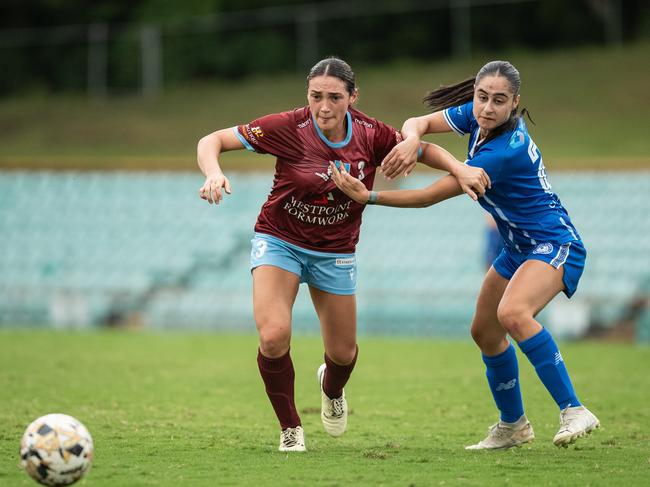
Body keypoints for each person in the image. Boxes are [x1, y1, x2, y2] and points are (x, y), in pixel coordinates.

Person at [196, 57, 490, 452]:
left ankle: (331, 389)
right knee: (273, 335)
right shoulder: (288, 127)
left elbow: (423, 151)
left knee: (342, 353)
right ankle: (290, 428)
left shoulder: (370, 133)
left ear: (353, 97)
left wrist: (460, 167)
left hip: (335, 250)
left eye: (334, 97)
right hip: (279, 239)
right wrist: (213, 172)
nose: (323, 106)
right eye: (316, 96)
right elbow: (211, 141)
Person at [330, 60, 600, 450]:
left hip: (555, 244)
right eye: (482, 97)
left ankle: (574, 408)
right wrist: (409, 140)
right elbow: (415, 123)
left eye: (499, 101)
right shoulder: (477, 118)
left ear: (515, 103)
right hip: (517, 247)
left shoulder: (506, 150)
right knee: (485, 332)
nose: (487, 108)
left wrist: (369, 196)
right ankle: (513, 425)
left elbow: (428, 197)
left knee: (512, 314)